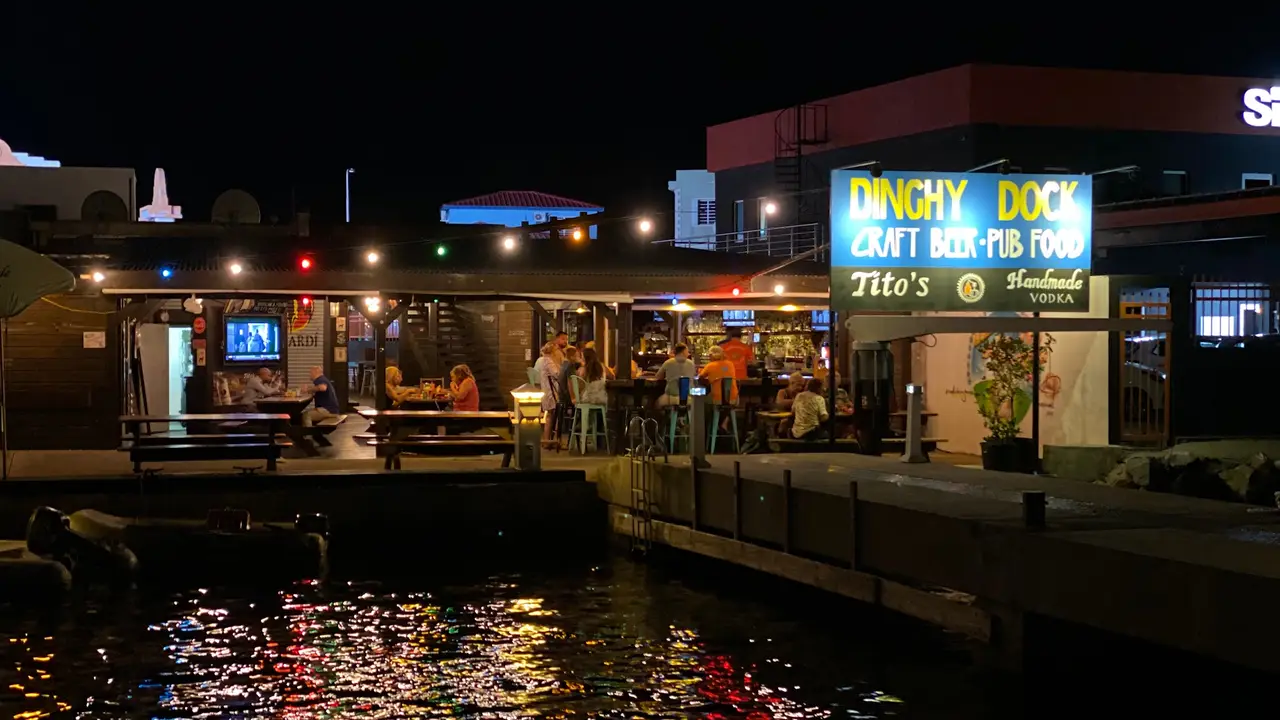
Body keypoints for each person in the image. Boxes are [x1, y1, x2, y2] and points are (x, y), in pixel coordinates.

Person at [654, 343, 697, 407]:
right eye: (687, 352)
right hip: (688, 397)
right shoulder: (691, 363)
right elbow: (694, 375)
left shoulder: (668, 362)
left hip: (671, 396)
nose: (688, 354)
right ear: (683, 352)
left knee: (656, 403)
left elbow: (658, 376)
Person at [538, 343, 562, 446]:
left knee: (549, 416)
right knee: (550, 416)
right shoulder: (549, 361)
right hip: (551, 393)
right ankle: (548, 440)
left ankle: (547, 440)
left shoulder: (543, 360)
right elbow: (557, 374)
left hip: (546, 391)